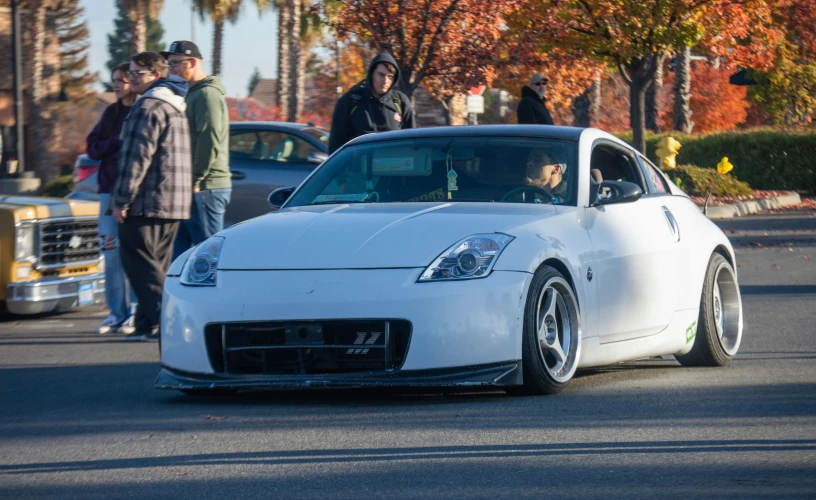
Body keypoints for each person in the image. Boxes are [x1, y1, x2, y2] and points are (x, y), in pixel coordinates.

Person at [112, 52, 192, 342]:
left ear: (157, 76)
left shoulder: (147, 106)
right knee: (157, 265)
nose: (131, 77)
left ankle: (172, 324)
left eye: (138, 73)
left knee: (141, 265)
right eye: (130, 72)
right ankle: (147, 326)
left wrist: (121, 200)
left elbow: (136, 158)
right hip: (174, 202)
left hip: (148, 201)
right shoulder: (175, 105)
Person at [163, 41, 231, 257]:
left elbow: (209, 140)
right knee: (181, 258)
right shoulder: (190, 94)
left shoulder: (206, 95)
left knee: (208, 257)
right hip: (191, 186)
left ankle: (216, 293)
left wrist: (195, 180)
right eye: (169, 64)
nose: (170, 68)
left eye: (175, 63)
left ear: (192, 62)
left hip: (205, 187)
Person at [86, 63, 138, 335]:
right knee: (111, 253)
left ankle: (137, 313)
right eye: (114, 80)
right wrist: (116, 141)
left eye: (122, 80)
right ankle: (117, 313)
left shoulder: (144, 110)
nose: (116, 85)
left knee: (135, 252)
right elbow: (93, 149)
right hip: (108, 191)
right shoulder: (111, 112)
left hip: (136, 194)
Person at [329, 52, 415, 154]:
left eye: (390, 77)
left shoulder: (400, 102)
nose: (385, 81)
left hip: (394, 165)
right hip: (360, 165)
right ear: (371, 74)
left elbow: (412, 141)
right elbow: (336, 143)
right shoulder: (351, 101)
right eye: (381, 75)